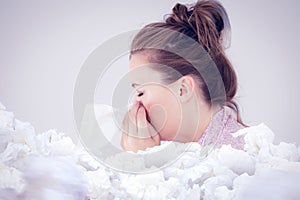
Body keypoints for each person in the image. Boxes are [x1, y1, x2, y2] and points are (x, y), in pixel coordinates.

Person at [121, 0, 246, 153]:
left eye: (141, 92)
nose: (135, 104)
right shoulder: (188, 153)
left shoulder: (236, 158)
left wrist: (142, 159)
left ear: (183, 89)